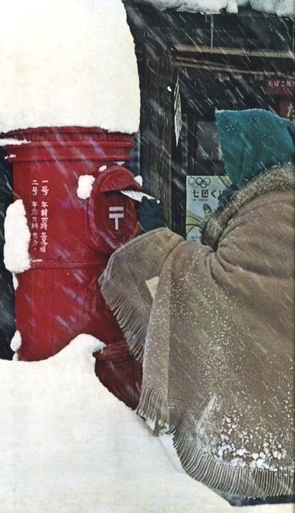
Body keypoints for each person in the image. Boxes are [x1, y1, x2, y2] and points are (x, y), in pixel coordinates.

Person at [99, 109, 294, 502]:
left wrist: (158, 239)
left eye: (229, 152)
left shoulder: (272, 208)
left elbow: (230, 284)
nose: (223, 162)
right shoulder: (270, 199)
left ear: (252, 152)